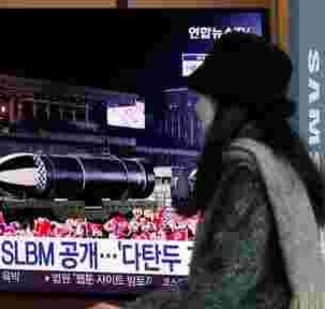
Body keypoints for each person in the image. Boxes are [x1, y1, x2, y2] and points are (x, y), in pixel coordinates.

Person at [89, 32, 325, 309]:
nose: (196, 107)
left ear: (231, 105)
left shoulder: (248, 177)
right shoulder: (280, 164)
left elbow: (217, 295)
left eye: (204, 97)